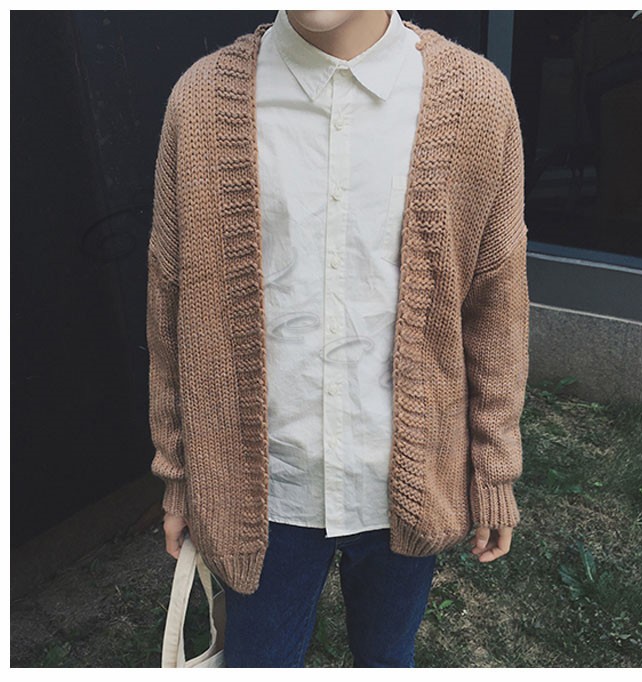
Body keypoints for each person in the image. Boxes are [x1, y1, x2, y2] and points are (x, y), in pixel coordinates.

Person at [147, 9, 530, 668]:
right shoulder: (201, 103)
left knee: (387, 658)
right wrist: (179, 476)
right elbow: (171, 308)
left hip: (405, 485)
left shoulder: (478, 101)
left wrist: (495, 467)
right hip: (264, 488)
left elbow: (496, 306)